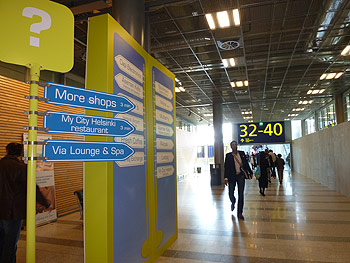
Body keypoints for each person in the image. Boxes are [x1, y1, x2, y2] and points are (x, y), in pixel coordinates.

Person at [0, 143, 51, 263]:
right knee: (10, 244)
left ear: (7, 151)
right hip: (13, 213)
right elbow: (33, 188)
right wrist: (45, 203)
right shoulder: (22, 168)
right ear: (21, 154)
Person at [224, 141, 253, 220]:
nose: (234, 146)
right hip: (232, 177)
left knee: (241, 194)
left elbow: (245, 164)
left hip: (240, 176)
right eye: (233, 145)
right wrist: (225, 178)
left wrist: (250, 172)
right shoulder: (228, 156)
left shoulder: (242, 153)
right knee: (230, 193)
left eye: (235, 144)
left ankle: (240, 212)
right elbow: (226, 167)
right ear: (231, 147)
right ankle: (233, 201)